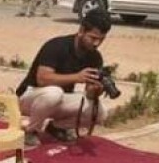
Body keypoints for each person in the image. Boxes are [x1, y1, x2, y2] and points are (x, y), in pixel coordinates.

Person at [16, 9, 112, 146]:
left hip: (58, 99)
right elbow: (42, 79)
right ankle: (31, 131)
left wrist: (97, 89)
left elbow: (89, 95)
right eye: (93, 38)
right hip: (31, 97)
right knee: (54, 93)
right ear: (81, 31)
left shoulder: (95, 57)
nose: (96, 43)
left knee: (100, 112)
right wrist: (77, 77)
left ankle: (56, 127)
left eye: (101, 39)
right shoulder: (57, 46)